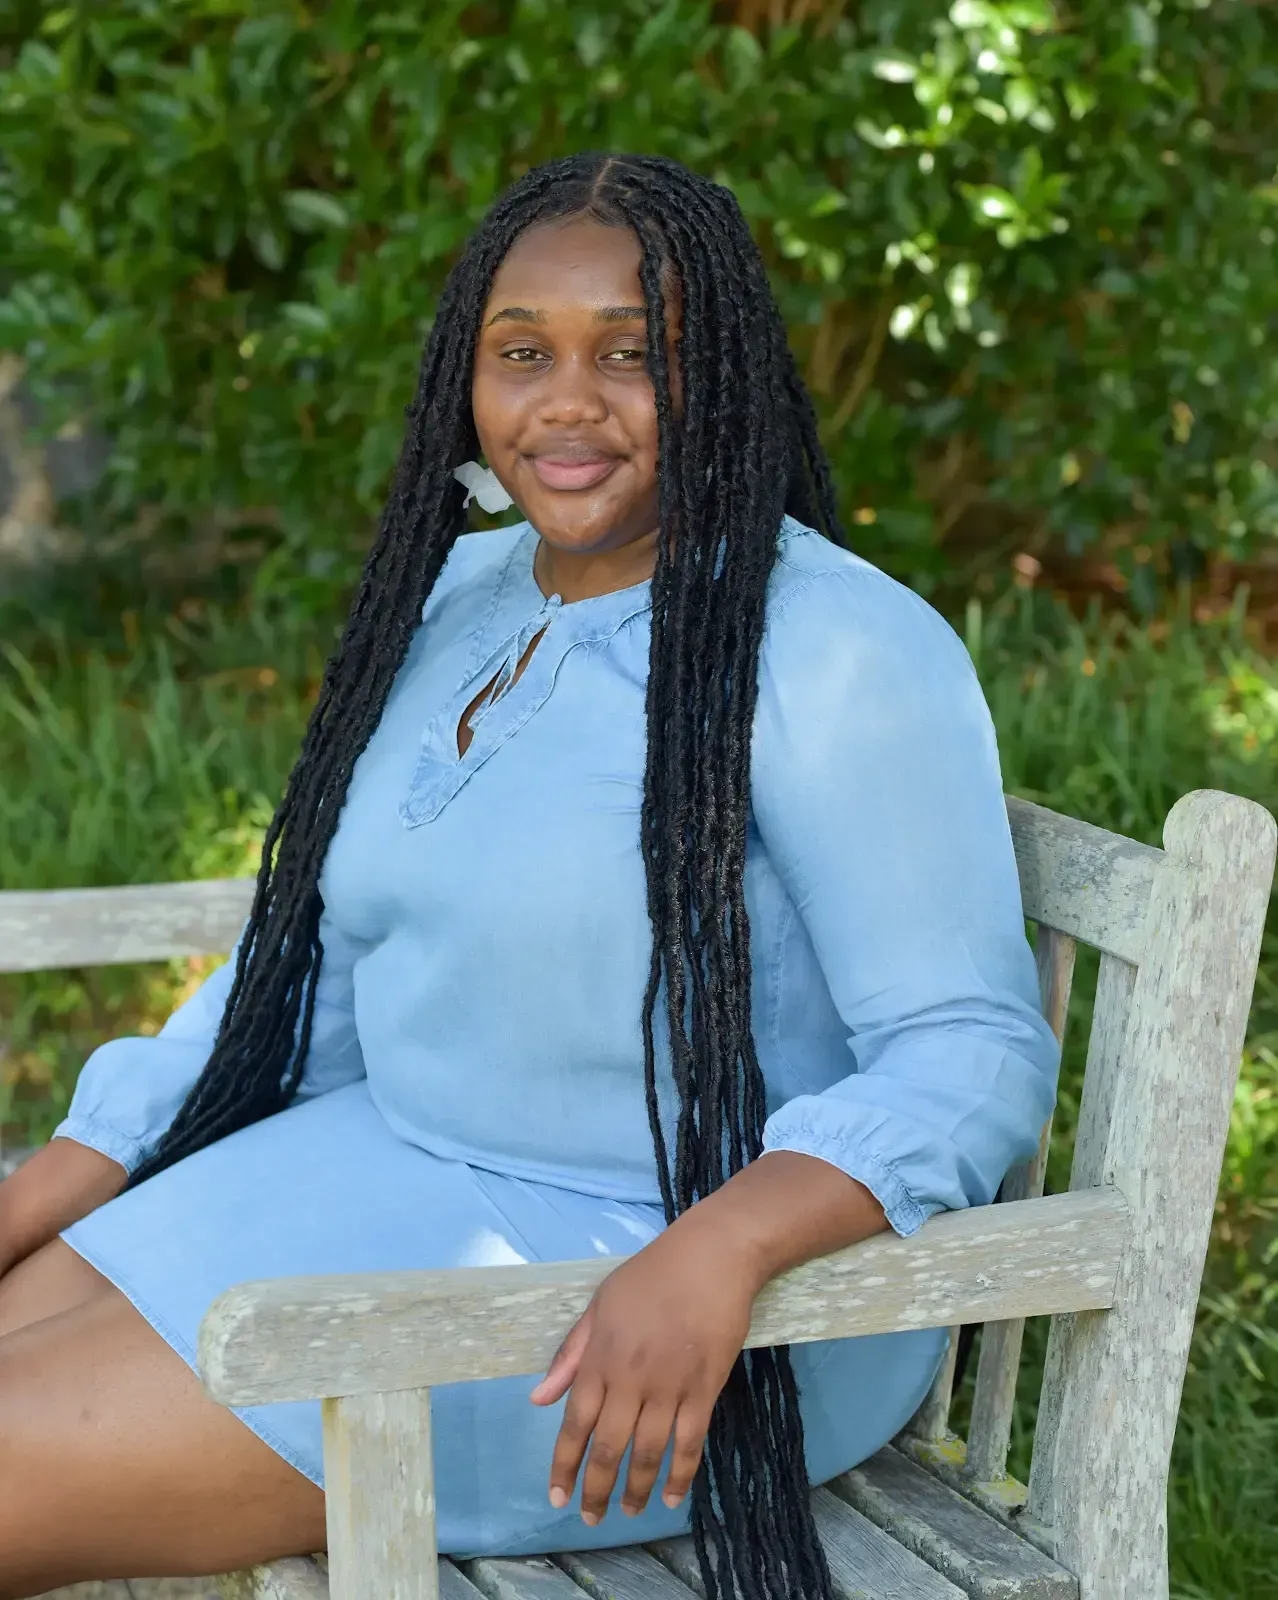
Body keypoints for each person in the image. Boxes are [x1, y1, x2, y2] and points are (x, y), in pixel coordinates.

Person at [0, 152, 1059, 1600]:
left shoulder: (834, 651)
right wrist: (65, 1169)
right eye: (523, 354)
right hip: (384, 1175)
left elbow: (968, 1052)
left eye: (632, 354)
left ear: (725, 377)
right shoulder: (457, 599)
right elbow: (317, 973)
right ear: (465, 376)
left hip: (663, 1288)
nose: (568, 403)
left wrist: (717, 1251)